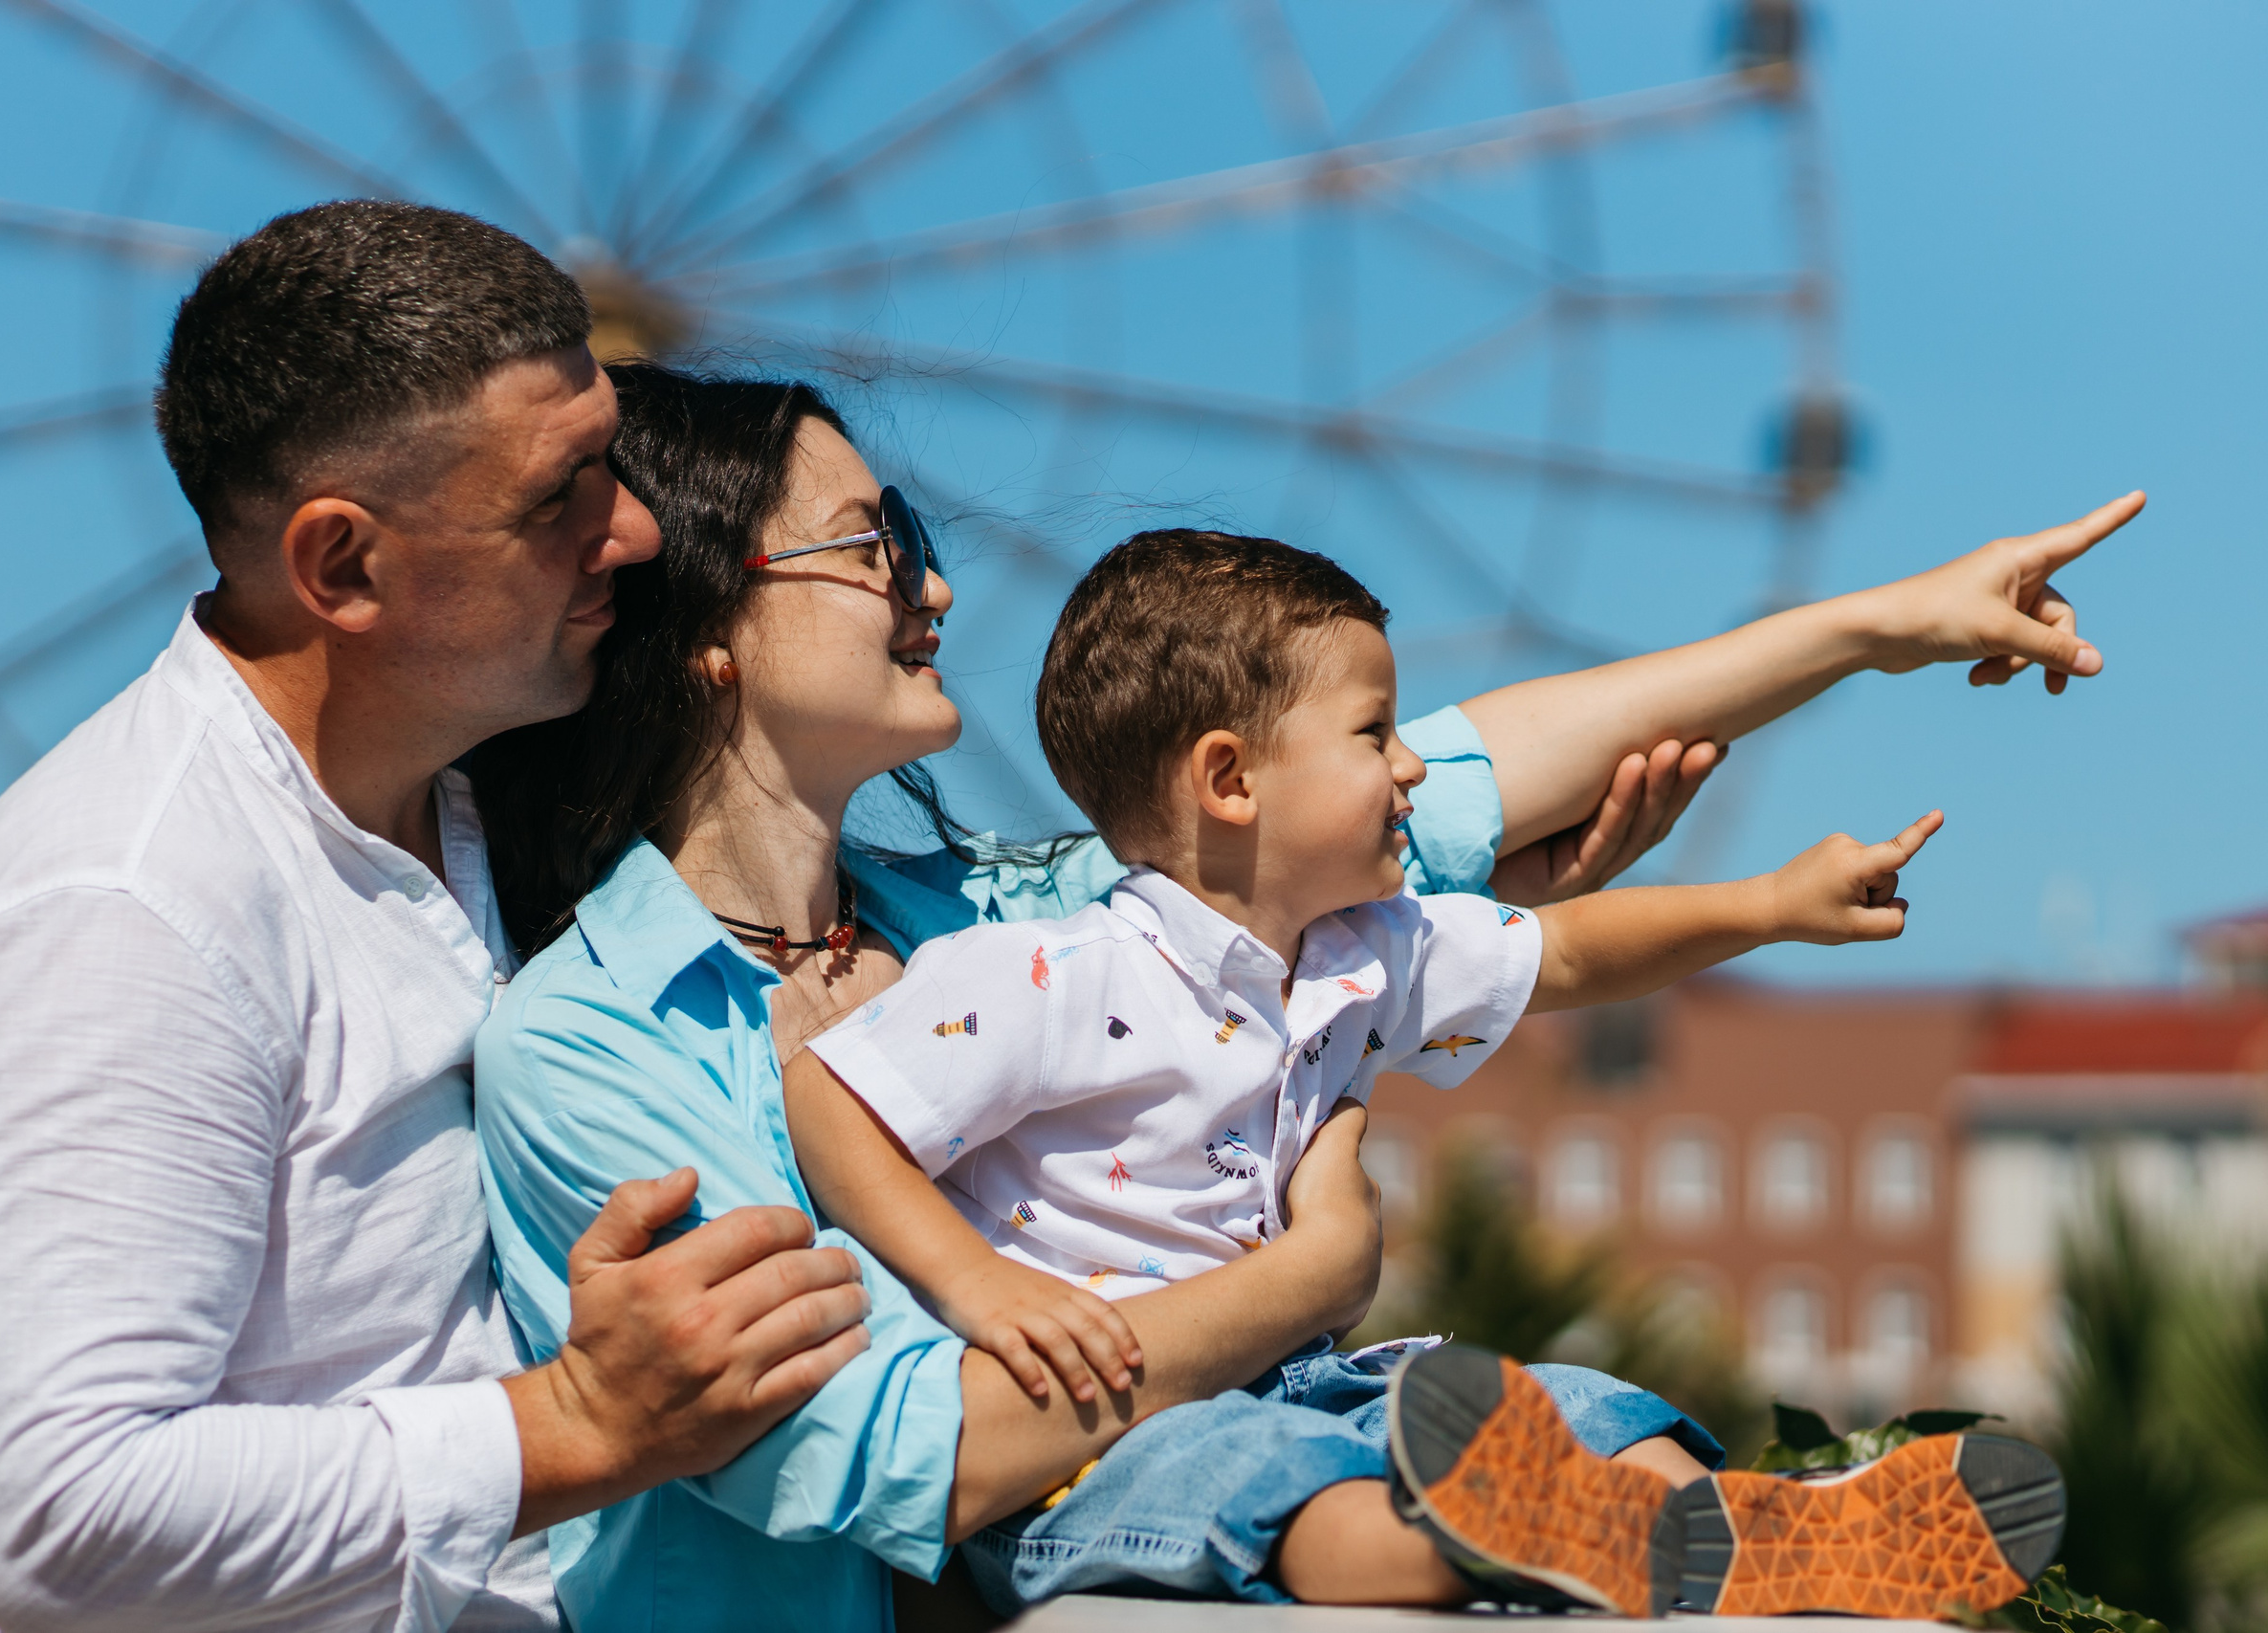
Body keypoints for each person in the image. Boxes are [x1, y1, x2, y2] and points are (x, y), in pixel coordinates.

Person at [469, 361, 2138, 1629]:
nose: (938, 588)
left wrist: (1875, 626)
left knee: (1538, 1422)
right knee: (1282, 1484)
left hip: (1216, 1473)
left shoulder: (1005, 916)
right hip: (1071, 1530)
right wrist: (1316, 1268)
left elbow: (1463, 773)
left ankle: (1712, 1533)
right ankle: (1512, 1535)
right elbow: (907, 1455)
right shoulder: (589, 1047)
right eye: (875, 542)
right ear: (709, 628)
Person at [0, 202, 879, 1633]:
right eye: (563, 496)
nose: (637, 531)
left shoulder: (480, 799)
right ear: (341, 565)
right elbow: (64, 1515)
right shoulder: (123, 910)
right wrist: (580, 1423)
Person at [782, 528, 2057, 1621]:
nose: (1409, 771)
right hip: (1104, 1449)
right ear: (1229, 780)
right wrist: (979, 1286)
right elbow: (831, 1099)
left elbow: (1564, 951)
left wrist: (1766, 903)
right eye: (1377, 733)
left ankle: (1739, 1538)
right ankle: (1493, 1545)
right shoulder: (1054, 975)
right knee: (1277, 1487)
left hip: (1308, 1373)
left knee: (1568, 1402)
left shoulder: (1359, 958)